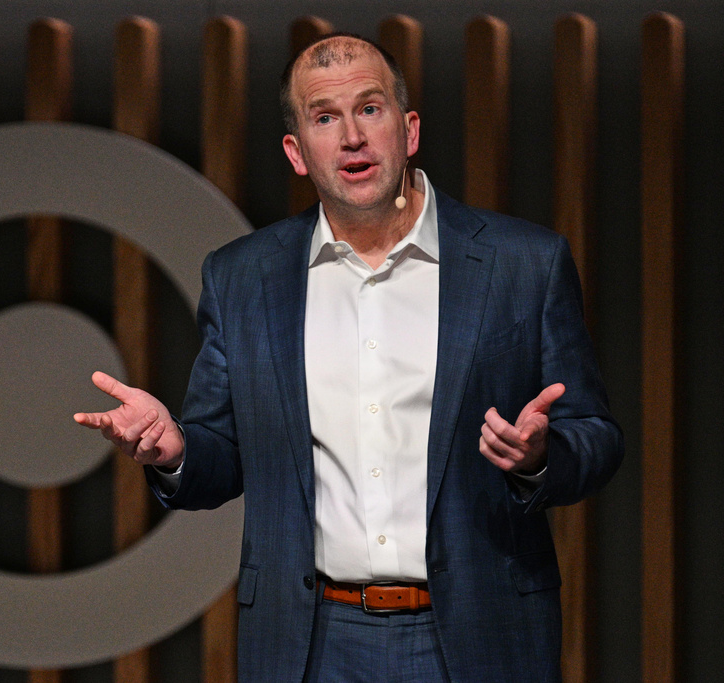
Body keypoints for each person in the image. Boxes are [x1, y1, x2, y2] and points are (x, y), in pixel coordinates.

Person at [74, 33, 622, 682]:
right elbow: (221, 453)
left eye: (370, 108)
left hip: (476, 630)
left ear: (409, 129)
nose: (352, 137)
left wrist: (539, 459)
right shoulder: (242, 276)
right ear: (297, 151)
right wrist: (177, 450)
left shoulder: (524, 264)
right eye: (325, 118)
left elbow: (597, 436)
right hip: (310, 639)